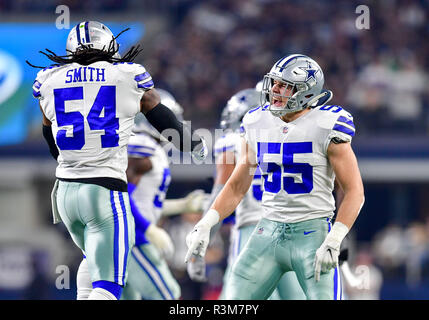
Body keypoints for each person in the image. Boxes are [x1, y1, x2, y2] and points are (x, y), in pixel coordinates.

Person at [30, 21, 207, 300]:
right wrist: (192, 143)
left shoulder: (49, 79)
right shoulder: (126, 75)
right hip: (104, 190)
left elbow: (49, 134)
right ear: (108, 46)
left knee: (93, 260)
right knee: (110, 285)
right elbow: (154, 107)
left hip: (65, 192)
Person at [185, 54, 365, 300]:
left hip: (312, 233)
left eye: (284, 85)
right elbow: (237, 185)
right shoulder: (257, 120)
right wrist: (206, 223)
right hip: (266, 231)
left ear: (305, 91)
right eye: (274, 83)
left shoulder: (328, 124)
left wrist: (335, 237)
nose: (275, 90)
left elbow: (355, 191)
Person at [186, 87, 306, 300]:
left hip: (253, 231)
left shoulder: (233, 141)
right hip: (293, 229)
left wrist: (200, 244)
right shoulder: (291, 137)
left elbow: (221, 192)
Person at [122, 89, 206, 300]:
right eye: (168, 118)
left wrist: (181, 206)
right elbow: (121, 198)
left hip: (130, 234)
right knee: (168, 294)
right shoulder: (142, 147)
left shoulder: (150, 148)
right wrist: (149, 229)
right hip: (133, 238)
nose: (173, 126)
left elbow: (144, 202)